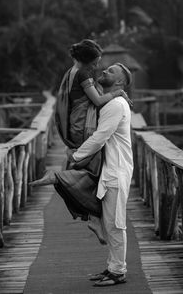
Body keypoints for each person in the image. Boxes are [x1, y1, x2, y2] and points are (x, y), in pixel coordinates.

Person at [30, 39, 132, 245]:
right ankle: (65, 184)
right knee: (95, 167)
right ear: (86, 61)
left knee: (95, 170)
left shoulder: (71, 72)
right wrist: (118, 93)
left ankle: (90, 214)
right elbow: (97, 100)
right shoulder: (84, 74)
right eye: (95, 63)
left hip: (75, 125)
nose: (97, 67)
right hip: (81, 127)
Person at [69, 63, 134, 287]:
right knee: (109, 222)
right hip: (110, 171)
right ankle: (112, 266)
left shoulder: (116, 104)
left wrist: (76, 157)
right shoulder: (111, 102)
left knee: (116, 224)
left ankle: (118, 271)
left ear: (119, 83)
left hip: (116, 171)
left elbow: (100, 136)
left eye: (112, 71)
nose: (105, 70)